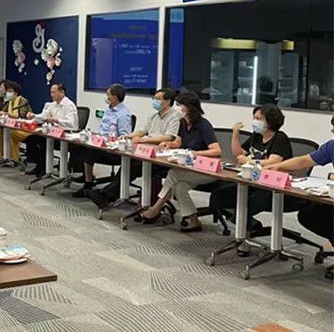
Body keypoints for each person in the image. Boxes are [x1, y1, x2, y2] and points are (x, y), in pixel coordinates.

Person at [209, 104, 293, 252]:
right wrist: (235, 134)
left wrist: (249, 161)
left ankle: (244, 239)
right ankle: (250, 225)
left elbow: (274, 161)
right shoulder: (256, 136)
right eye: (254, 118)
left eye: (259, 118)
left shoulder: (279, 138)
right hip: (252, 181)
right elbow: (238, 154)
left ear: (270, 121)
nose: (255, 121)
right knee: (220, 196)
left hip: (272, 187)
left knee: (246, 205)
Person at [139, 91, 222, 231]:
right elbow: (179, 142)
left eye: (179, 105)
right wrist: (169, 144)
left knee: (173, 174)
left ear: (189, 107)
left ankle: (155, 209)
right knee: (179, 187)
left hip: (207, 170)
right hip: (190, 169)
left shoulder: (204, 125)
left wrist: (195, 153)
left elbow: (216, 151)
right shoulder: (183, 123)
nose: (177, 108)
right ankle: (194, 221)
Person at [86, 88, 181, 209]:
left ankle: (106, 194)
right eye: (154, 98)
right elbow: (143, 131)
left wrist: (144, 140)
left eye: (158, 99)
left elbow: (169, 136)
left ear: (167, 101)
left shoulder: (175, 117)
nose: (154, 101)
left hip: (161, 157)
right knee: (128, 163)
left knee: (134, 166)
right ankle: (108, 194)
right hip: (146, 152)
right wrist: (129, 136)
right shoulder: (153, 115)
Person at [267, 115, 334, 261]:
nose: (332, 130)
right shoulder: (332, 146)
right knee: (310, 215)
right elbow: (305, 161)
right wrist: (277, 166)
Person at [71, 83, 132, 198]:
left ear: (114, 98)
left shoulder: (123, 114)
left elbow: (124, 136)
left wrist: (109, 141)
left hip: (113, 150)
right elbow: (103, 130)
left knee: (88, 151)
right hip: (101, 144)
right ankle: (87, 178)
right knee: (81, 146)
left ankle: (88, 183)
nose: (106, 97)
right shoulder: (108, 109)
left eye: (108, 95)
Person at [24, 83, 78, 177]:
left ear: (62, 92)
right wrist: (33, 116)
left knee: (43, 141)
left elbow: (71, 123)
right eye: (51, 93)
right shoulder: (52, 105)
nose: (51, 95)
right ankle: (39, 166)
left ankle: (44, 168)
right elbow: (44, 116)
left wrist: (56, 120)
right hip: (53, 133)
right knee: (32, 139)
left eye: (54, 92)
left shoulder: (69, 105)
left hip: (66, 135)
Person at [0, 81, 32, 162]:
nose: (8, 93)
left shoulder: (22, 101)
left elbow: (22, 115)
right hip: (14, 126)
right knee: (2, 132)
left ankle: (13, 159)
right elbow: (4, 111)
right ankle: (3, 156)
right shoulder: (10, 101)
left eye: (10, 91)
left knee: (9, 133)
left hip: (25, 128)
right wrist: (1, 113)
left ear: (16, 93)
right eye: (7, 91)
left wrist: (8, 114)